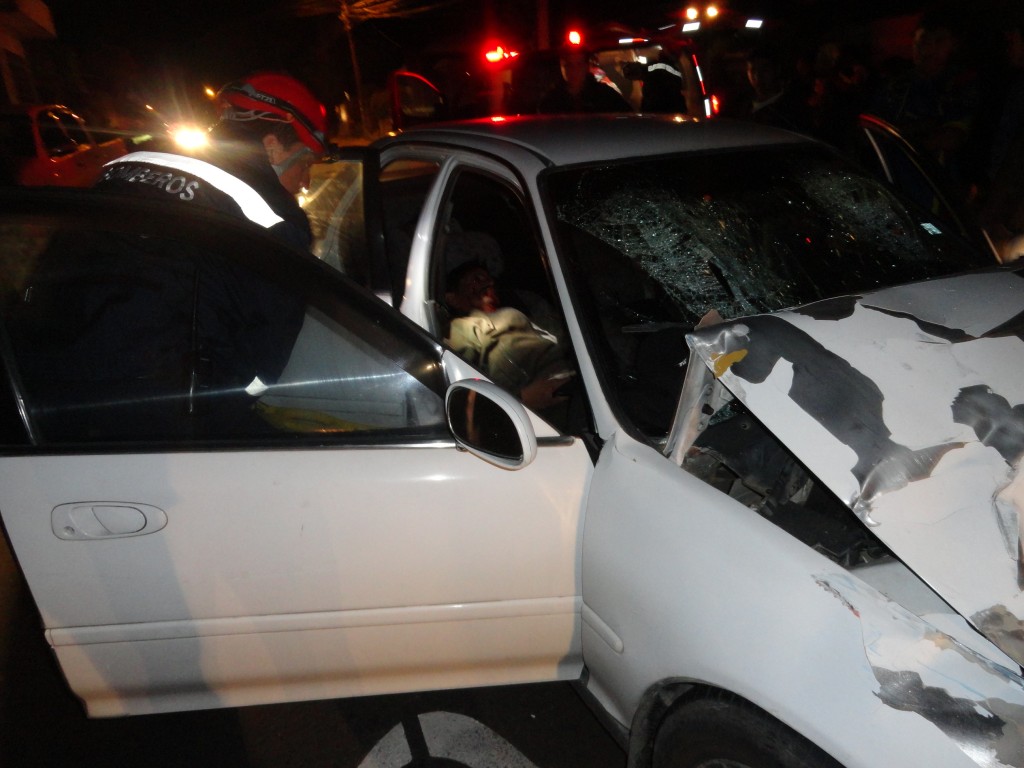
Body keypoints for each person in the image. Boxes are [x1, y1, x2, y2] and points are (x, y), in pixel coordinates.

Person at [95, 71, 328, 250]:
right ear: (273, 147)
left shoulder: (119, 171)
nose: (306, 182)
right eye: (305, 163)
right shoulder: (279, 225)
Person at [443, 257, 574, 414]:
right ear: (453, 299)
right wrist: (523, 399)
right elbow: (465, 395)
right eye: (476, 279)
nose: (488, 282)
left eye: (488, 278)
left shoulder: (531, 309)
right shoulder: (462, 327)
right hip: (541, 409)